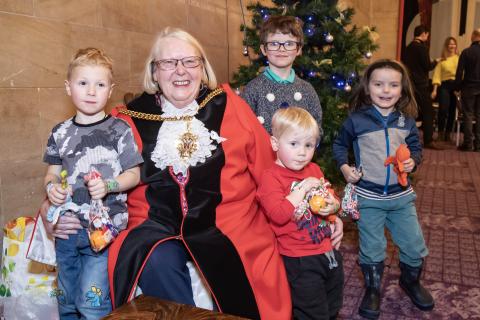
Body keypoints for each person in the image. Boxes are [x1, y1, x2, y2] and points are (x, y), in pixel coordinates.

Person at [42, 27, 345, 320]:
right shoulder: (126, 119)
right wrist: (50, 210)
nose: (180, 71)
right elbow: (76, 169)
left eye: (190, 61)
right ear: (154, 71)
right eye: (169, 63)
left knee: (243, 263)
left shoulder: (230, 106)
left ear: (202, 68)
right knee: (153, 259)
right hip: (155, 223)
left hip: (231, 221)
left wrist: (323, 215)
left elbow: (273, 170)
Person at [43, 47, 143, 319]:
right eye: (83, 83)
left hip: (104, 232)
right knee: (66, 299)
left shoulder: (119, 130)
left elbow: (134, 174)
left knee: (92, 301)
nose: (91, 91)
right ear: (68, 87)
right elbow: (51, 173)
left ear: (110, 90)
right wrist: (52, 188)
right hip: (67, 230)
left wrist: (110, 185)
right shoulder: (59, 132)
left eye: (100, 84)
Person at [333, 59, 434, 319]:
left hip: (401, 198)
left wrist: (413, 160)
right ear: (368, 88)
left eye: (393, 85)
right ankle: (373, 289)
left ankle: (410, 282)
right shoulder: (356, 120)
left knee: (414, 245)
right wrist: (345, 167)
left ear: (402, 90)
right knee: (372, 247)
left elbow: (416, 149)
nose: (386, 90)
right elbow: (340, 146)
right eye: (379, 84)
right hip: (368, 197)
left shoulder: (407, 121)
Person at [257, 107, 344, 320]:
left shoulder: (313, 169)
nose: (302, 152)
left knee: (333, 303)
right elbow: (277, 214)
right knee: (311, 311)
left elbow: (329, 196)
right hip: (299, 259)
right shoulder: (271, 178)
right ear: (275, 144)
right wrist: (302, 189)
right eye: (293, 144)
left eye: (308, 145)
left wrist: (334, 209)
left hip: (328, 250)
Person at [241, 15, 322, 135]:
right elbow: (243, 132)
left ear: (298, 49)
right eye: (274, 43)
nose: (281, 49)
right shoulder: (253, 89)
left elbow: (317, 131)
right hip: (262, 154)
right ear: (264, 49)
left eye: (289, 43)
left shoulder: (307, 90)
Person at [402, 25, 440, 149]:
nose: (427, 37)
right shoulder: (422, 48)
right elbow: (427, 66)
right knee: (428, 112)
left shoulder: (408, 48)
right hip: (421, 85)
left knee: (410, 112)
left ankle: (406, 139)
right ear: (423, 34)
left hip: (409, 85)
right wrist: (436, 61)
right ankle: (428, 140)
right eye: (427, 35)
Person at [455, 28, 480, 151]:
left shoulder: (466, 52)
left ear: (473, 36)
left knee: (468, 115)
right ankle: (479, 145)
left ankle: (468, 144)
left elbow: (459, 72)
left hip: (469, 87)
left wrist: (457, 87)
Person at [431, 37, 459, 142]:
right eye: (450, 44)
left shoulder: (459, 58)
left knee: (452, 111)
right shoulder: (442, 60)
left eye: (453, 44)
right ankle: (440, 134)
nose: (452, 46)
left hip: (455, 87)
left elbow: (461, 75)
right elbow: (437, 75)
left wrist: (459, 88)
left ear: (456, 46)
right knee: (443, 110)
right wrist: (434, 90)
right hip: (444, 87)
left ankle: (448, 135)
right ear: (447, 46)